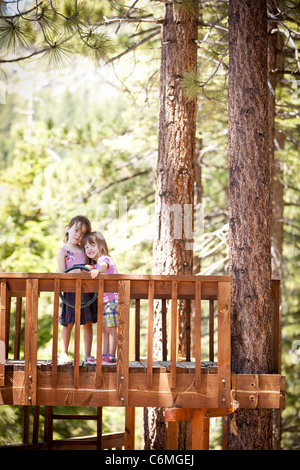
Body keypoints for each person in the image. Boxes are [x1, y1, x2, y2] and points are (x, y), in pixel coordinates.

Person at [57, 215, 97, 366]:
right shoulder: (63, 251)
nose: (78, 235)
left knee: (87, 323)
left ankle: (88, 355)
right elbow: (63, 273)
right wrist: (79, 270)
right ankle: (63, 353)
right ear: (68, 228)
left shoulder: (85, 249)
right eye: (76, 230)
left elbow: (93, 265)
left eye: (82, 233)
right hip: (71, 291)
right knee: (69, 323)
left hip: (87, 292)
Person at [82, 231, 118, 364]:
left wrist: (97, 270)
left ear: (101, 246)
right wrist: (91, 267)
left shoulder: (104, 259)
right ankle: (105, 354)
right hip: (106, 301)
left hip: (113, 299)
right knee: (105, 329)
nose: (89, 249)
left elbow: (104, 266)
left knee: (111, 328)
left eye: (92, 245)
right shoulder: (97, 263)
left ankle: (111, 355)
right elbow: (97, 267)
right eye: (86, 247)